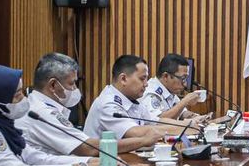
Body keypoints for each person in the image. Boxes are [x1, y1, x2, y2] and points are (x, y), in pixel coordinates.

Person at [17, 53, 165, 157]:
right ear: (53, 85)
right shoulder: (40, 112)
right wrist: (142, 141)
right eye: (72, 83)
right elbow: (87, 147)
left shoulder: (44, 107)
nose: (75, 89)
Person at [83, 55, 192, 140]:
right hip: (100, 165)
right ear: (123, 79)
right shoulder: (108, 104)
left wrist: (188, 125)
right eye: (142, 79)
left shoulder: (132, 99)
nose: (146, 84)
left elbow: (156, 121)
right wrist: (185, 129)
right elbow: (136, 132)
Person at [142, 53, 209, 121]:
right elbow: (159, 122)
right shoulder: (151, 93)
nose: (185, 84)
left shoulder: (169, 90)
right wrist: (184, 102)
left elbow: (181, 113)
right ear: (166, 76)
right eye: (182, 78)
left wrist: (196, 117)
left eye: (186, 78)